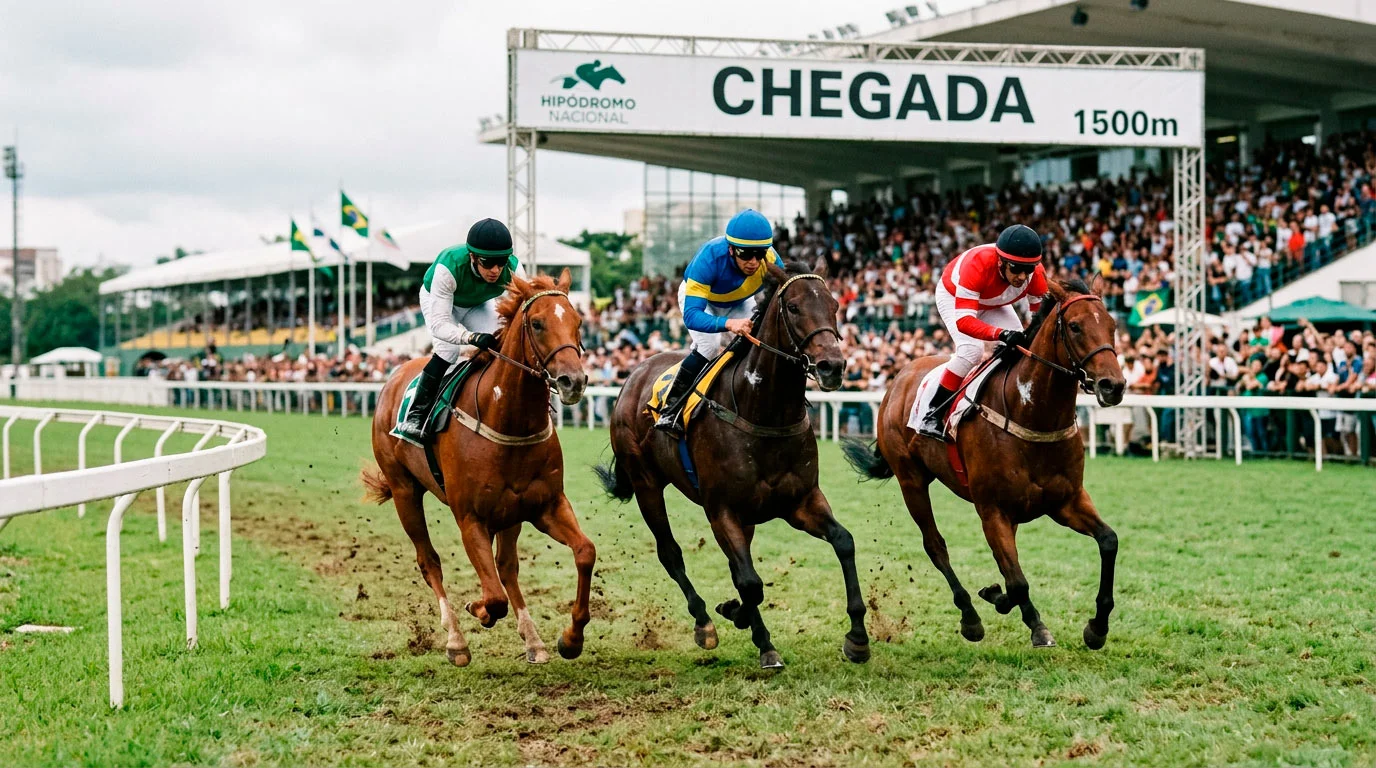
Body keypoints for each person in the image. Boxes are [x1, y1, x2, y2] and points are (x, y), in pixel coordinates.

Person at [394, 218, 525, 445]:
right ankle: (415, 415)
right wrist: (470, 337)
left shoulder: (514, 269)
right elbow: (440, 325)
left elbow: (526, 310)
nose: (495, 270)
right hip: (440, 302)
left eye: (501, 262)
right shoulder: (449, 266)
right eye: (487, 263)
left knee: (501, 347)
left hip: (477, 304)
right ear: (472, 256)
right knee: (449, 351)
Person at [653, 208, 782, 436]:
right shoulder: (709, 258)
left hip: (740, 300)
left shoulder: (771, 259)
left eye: (759, 254)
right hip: (703, 302)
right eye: (745, 254)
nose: (753, 262)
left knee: (756, 344)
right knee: (710, 346)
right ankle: (671, 408)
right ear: (731, 249)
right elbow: (692, 315)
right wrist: (728, 324)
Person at [916, 224, 1049, 440]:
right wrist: (1001, 334)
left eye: (1029, 269)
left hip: (992, 301)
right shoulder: (977, 265)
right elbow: (965, 322)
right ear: (1001, 262)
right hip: (954, 296)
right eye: (1016, 268)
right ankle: (932, 414)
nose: (1022, 276)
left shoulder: (1036, 275)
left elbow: (1040, 321)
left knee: (1020, 349)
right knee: (971, 351)